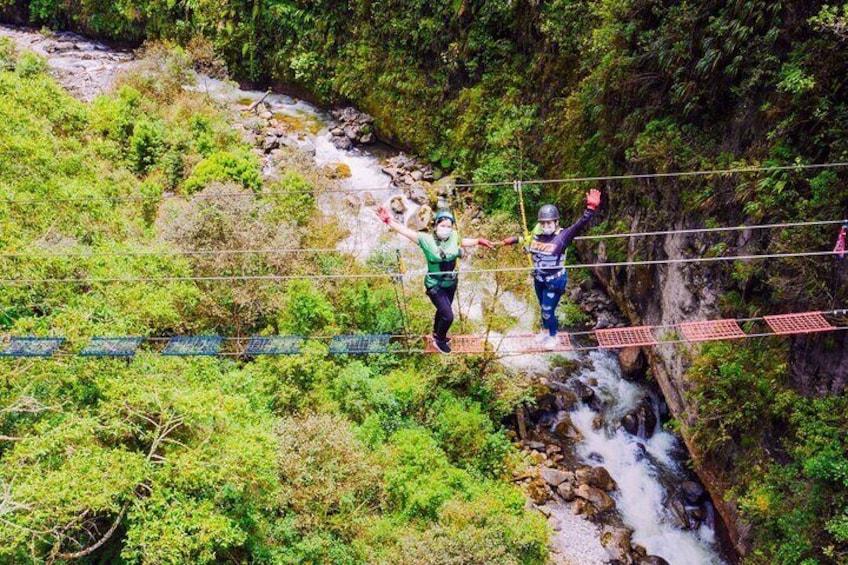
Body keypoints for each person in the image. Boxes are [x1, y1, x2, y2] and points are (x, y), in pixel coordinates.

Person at [377, 206, 494, 354]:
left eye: (449, 226)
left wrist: (478, 241)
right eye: (443, 225)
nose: (446, 229)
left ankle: (436, 333)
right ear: (436, 225)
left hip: (451, 283)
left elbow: (462, 241)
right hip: (435, 285)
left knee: (442, 311)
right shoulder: (425, 240)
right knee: (448, 316)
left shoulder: (454, 236)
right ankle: (439, 340)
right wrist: (388, 220)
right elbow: (406, 232)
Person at [500, 189, 601, 350]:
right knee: (543, 307)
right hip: (539, 278)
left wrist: (590, 209)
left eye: (549, 223)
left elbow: (580, 224)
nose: (546, 226)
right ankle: (545, 330)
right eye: (543, 223)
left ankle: (553, 336)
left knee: (548, 310)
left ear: (556, 222)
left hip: (555, 279)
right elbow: (525, 240)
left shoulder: (563, 236)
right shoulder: (536, 235)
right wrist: (512, 240)